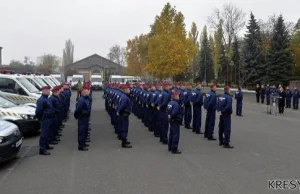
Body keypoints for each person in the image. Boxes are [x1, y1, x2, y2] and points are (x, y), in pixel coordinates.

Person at [35, 86, 55, 155]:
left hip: (48, 118)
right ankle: (42, 149)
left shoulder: (46, 98)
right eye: (48, 90)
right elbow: (38, 111)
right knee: (44, 134)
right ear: (44, 91)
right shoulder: (41, 100)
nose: (49, 92)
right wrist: (41, 118)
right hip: (45, 119)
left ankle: (46, 145)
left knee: (47, 133)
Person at [74, 86, 91, 151]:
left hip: (85, 117)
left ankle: (83, 143)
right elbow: (78, 110)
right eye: (87, 91)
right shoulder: (81, 100)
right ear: (83, 92)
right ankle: (81, 145)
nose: (88, 92)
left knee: (85, 131)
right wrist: (77, 116)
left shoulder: (85, 99)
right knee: (82, 131)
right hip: (82, 117)